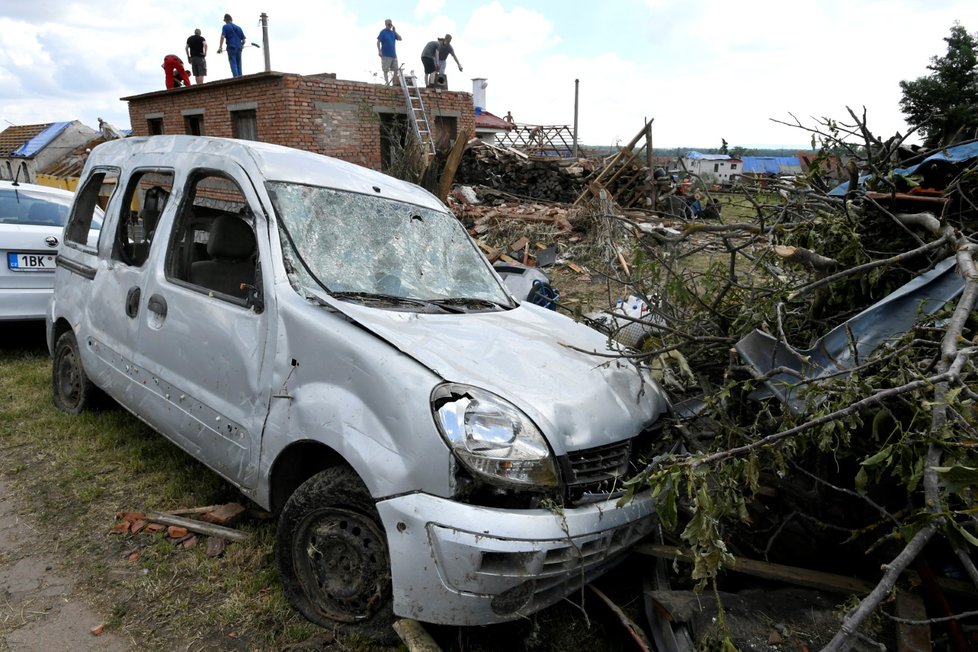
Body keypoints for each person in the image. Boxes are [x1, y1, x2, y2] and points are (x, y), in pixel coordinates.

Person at [217, 13, 246, 78]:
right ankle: (240, 77)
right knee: (239, 63)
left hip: (231, 47)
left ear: (225, 20)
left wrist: (220, 47)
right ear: (231, 19)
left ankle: (236, 77)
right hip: (239, 47)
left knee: (233, 62)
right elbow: (244, 40)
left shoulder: (225, 26)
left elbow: (222, 36)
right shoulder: (239, 28)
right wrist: (241, 45)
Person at [376, 18, 401, 84]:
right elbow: (378, 42)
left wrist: (395, 31)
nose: (390, 25)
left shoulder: (393, 33)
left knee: (396, 69)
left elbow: (400, 38)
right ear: (386, 24)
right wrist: (379, 51)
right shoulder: (383, 32)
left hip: (393, 55)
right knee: (385, 70)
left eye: (391, 24)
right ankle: (387, 83)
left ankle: (394, 84)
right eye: (389, 24)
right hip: (385, 55)